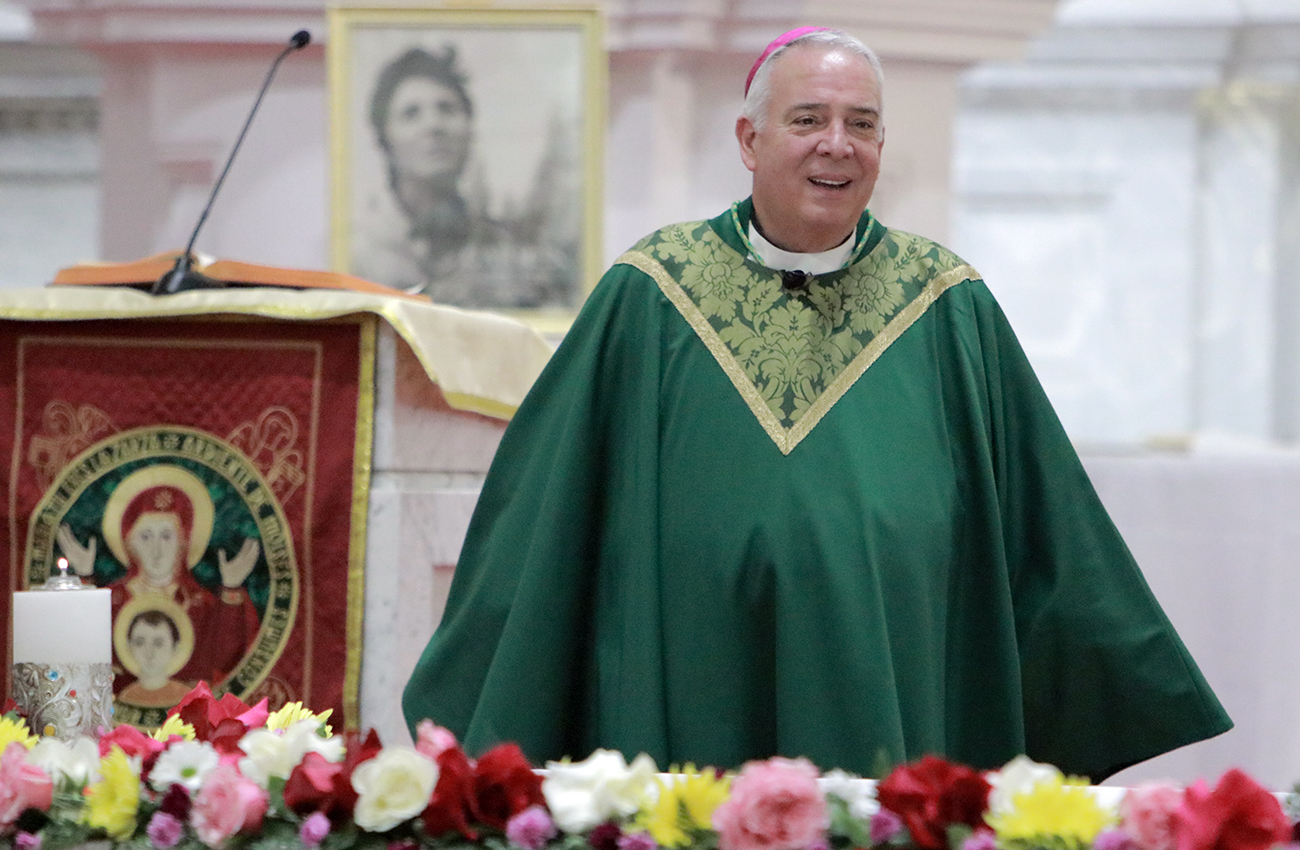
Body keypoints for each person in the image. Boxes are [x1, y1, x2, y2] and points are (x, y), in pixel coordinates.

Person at [402, 27, 1231, 781]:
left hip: (888, 671)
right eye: (808, 120)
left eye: (861, 124)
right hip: (690, 676)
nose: (837, 144)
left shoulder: (945, 302)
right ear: (749, 139)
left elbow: (1048, 522)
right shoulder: (651, 291)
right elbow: (546, 508)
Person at [352, 45, 577, 309]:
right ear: (384, 138)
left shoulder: (503, 247)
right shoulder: (363, 250)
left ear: (470, 129)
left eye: (447, 109)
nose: (434, 126)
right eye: (411, 113)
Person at [57, 464, 261, 690]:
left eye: (166, 536)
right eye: (145, 536)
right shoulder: (111, 600)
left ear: (183, 543)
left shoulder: (201, 604)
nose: (157, 550)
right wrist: (83, 579)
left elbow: (226, 663)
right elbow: (79, 652)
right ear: (129, 543)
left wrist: (231, 588)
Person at [117, 608, 195, 709]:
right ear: (129, 647)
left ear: (175, 648)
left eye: (158, 643)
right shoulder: (126, 697)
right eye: (139, 643)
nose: (149, 653)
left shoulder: (186, 696)